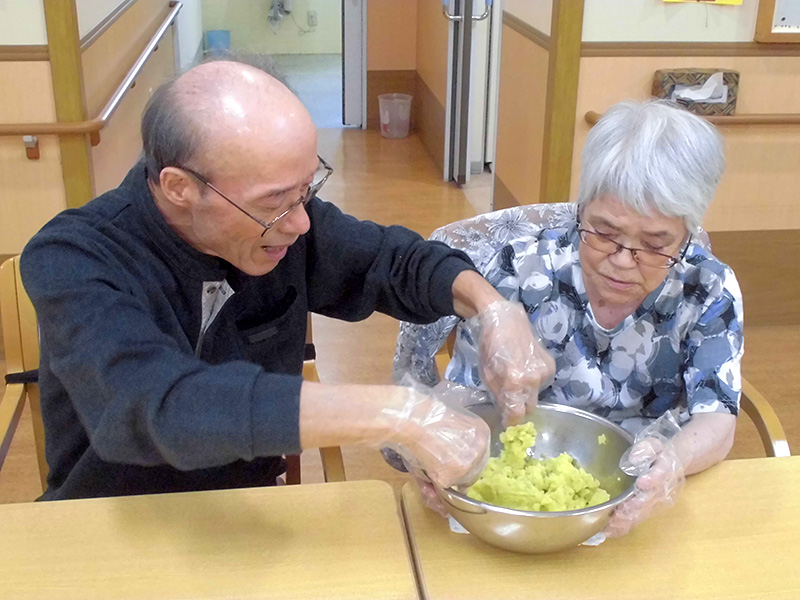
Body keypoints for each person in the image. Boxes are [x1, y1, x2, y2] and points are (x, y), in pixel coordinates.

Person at [19, 55, 553, 501]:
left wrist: (492, 309)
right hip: (111, 517)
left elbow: (395, 261)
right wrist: (398, 413)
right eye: (275, 203)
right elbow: (157, 403)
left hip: (247, 513)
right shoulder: (75, 257)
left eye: (307, 189)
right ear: (179, 187)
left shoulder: (290, 225)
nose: (299, 223)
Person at [441, 100, 743, 535]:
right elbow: (465, 396)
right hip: (517, 488)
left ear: (688, 233)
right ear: (581, 208)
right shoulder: (521, 268)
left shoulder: (708, 287)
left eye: (656, 244)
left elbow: (717, 418)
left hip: (646, 505)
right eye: (604, 232)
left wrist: (671, 462)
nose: (622, 261)